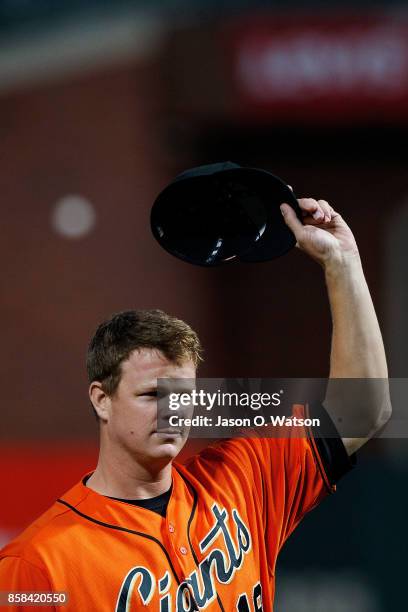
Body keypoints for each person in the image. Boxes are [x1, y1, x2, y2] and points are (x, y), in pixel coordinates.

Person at [0, 197, 391, 611]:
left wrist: (342, 264)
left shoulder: (243, 478)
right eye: (151, 394)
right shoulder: (37, 567)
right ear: (102, 400)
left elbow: (364, 409)